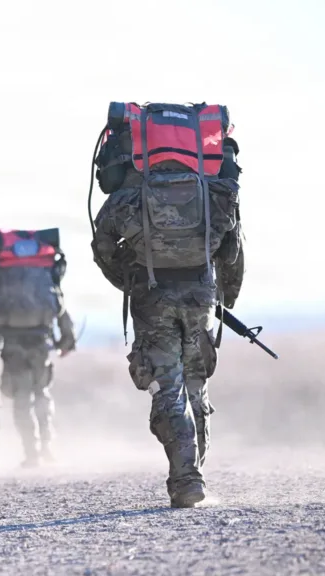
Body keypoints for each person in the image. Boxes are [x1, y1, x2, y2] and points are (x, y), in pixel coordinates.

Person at [90, 102, 244, 508]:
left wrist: (129, 279)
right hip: (201, 297)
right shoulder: (218, 192)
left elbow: (102, 247)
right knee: (196, 383)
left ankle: (187, 479)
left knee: (169, 387)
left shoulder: (127, 197)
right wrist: (223, 299)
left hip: (151, 299)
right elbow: (232, 253)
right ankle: (194, 476)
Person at [0, 229, 76, 467]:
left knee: (21, 396)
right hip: (41, 340)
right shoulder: (43, 272)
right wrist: (67, 339)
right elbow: (60, 306)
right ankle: (47, 447)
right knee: (41, 392)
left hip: (11, 344)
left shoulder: (0, 275)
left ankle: (31, 452)